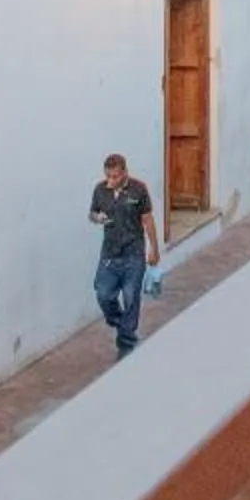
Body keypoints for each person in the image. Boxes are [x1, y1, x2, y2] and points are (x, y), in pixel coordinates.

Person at [89, 152, 160, 355]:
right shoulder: (100, 190)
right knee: (103, 295)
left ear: (125, 172)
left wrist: (154, 250)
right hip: (109, 255)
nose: (111, 181)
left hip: (133, 255)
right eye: (108, 176)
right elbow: (92, 213)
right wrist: (98, 218)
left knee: (131, 298)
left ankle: (126, 346)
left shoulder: (138, 189)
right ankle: (122, 324)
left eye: (115, 176)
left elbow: (147, 219)